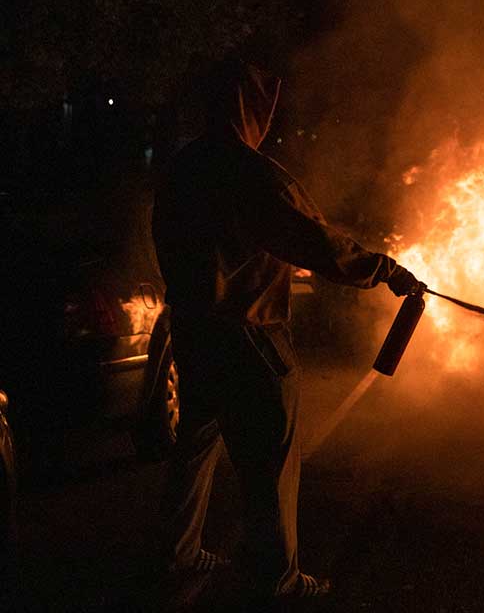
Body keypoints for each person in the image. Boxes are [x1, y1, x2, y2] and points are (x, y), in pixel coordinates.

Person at [151, 59, 422, 602]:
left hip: (196, 332)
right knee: (272, 463)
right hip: (250, 337)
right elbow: (318, 244)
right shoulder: (253, 177)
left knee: (196, 447)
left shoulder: (183, 168)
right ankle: (279, 580)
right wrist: (386, 270)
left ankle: (177, 555)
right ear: (249, 110)